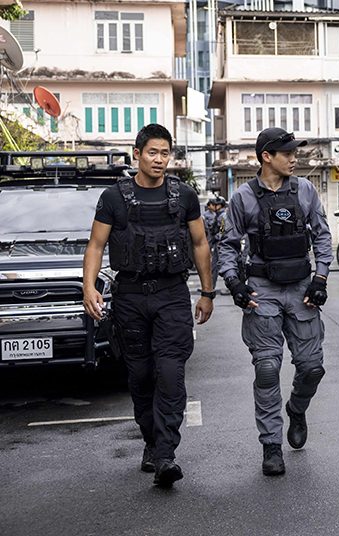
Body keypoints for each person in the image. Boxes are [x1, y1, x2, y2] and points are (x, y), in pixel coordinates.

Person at [82, 124, 214, 487]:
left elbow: (200, 243)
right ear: (137, 154)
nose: (159, 159)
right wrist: (89, 287)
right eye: (152, 152)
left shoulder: (184, 195)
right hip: (130, 296)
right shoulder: (114, 197)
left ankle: (166, 455)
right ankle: (153, 443)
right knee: (140, 376)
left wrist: (207, 292)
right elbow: (96, 245)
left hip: (172, 295)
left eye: (165, 153)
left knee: (170, 374)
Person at [217, 127, 333, 476]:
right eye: (287, 153)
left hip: (301, 289)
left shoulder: (306, 190)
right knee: (267, 368)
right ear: (266, 156)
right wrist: (234, 282)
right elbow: (227, 245)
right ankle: (271, 445)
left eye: (295, 152)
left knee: (312, 367)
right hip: (262, 289)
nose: (294, 158)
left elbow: (322, 235)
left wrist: (321, 277)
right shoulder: (243, 197)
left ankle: (296, 409)